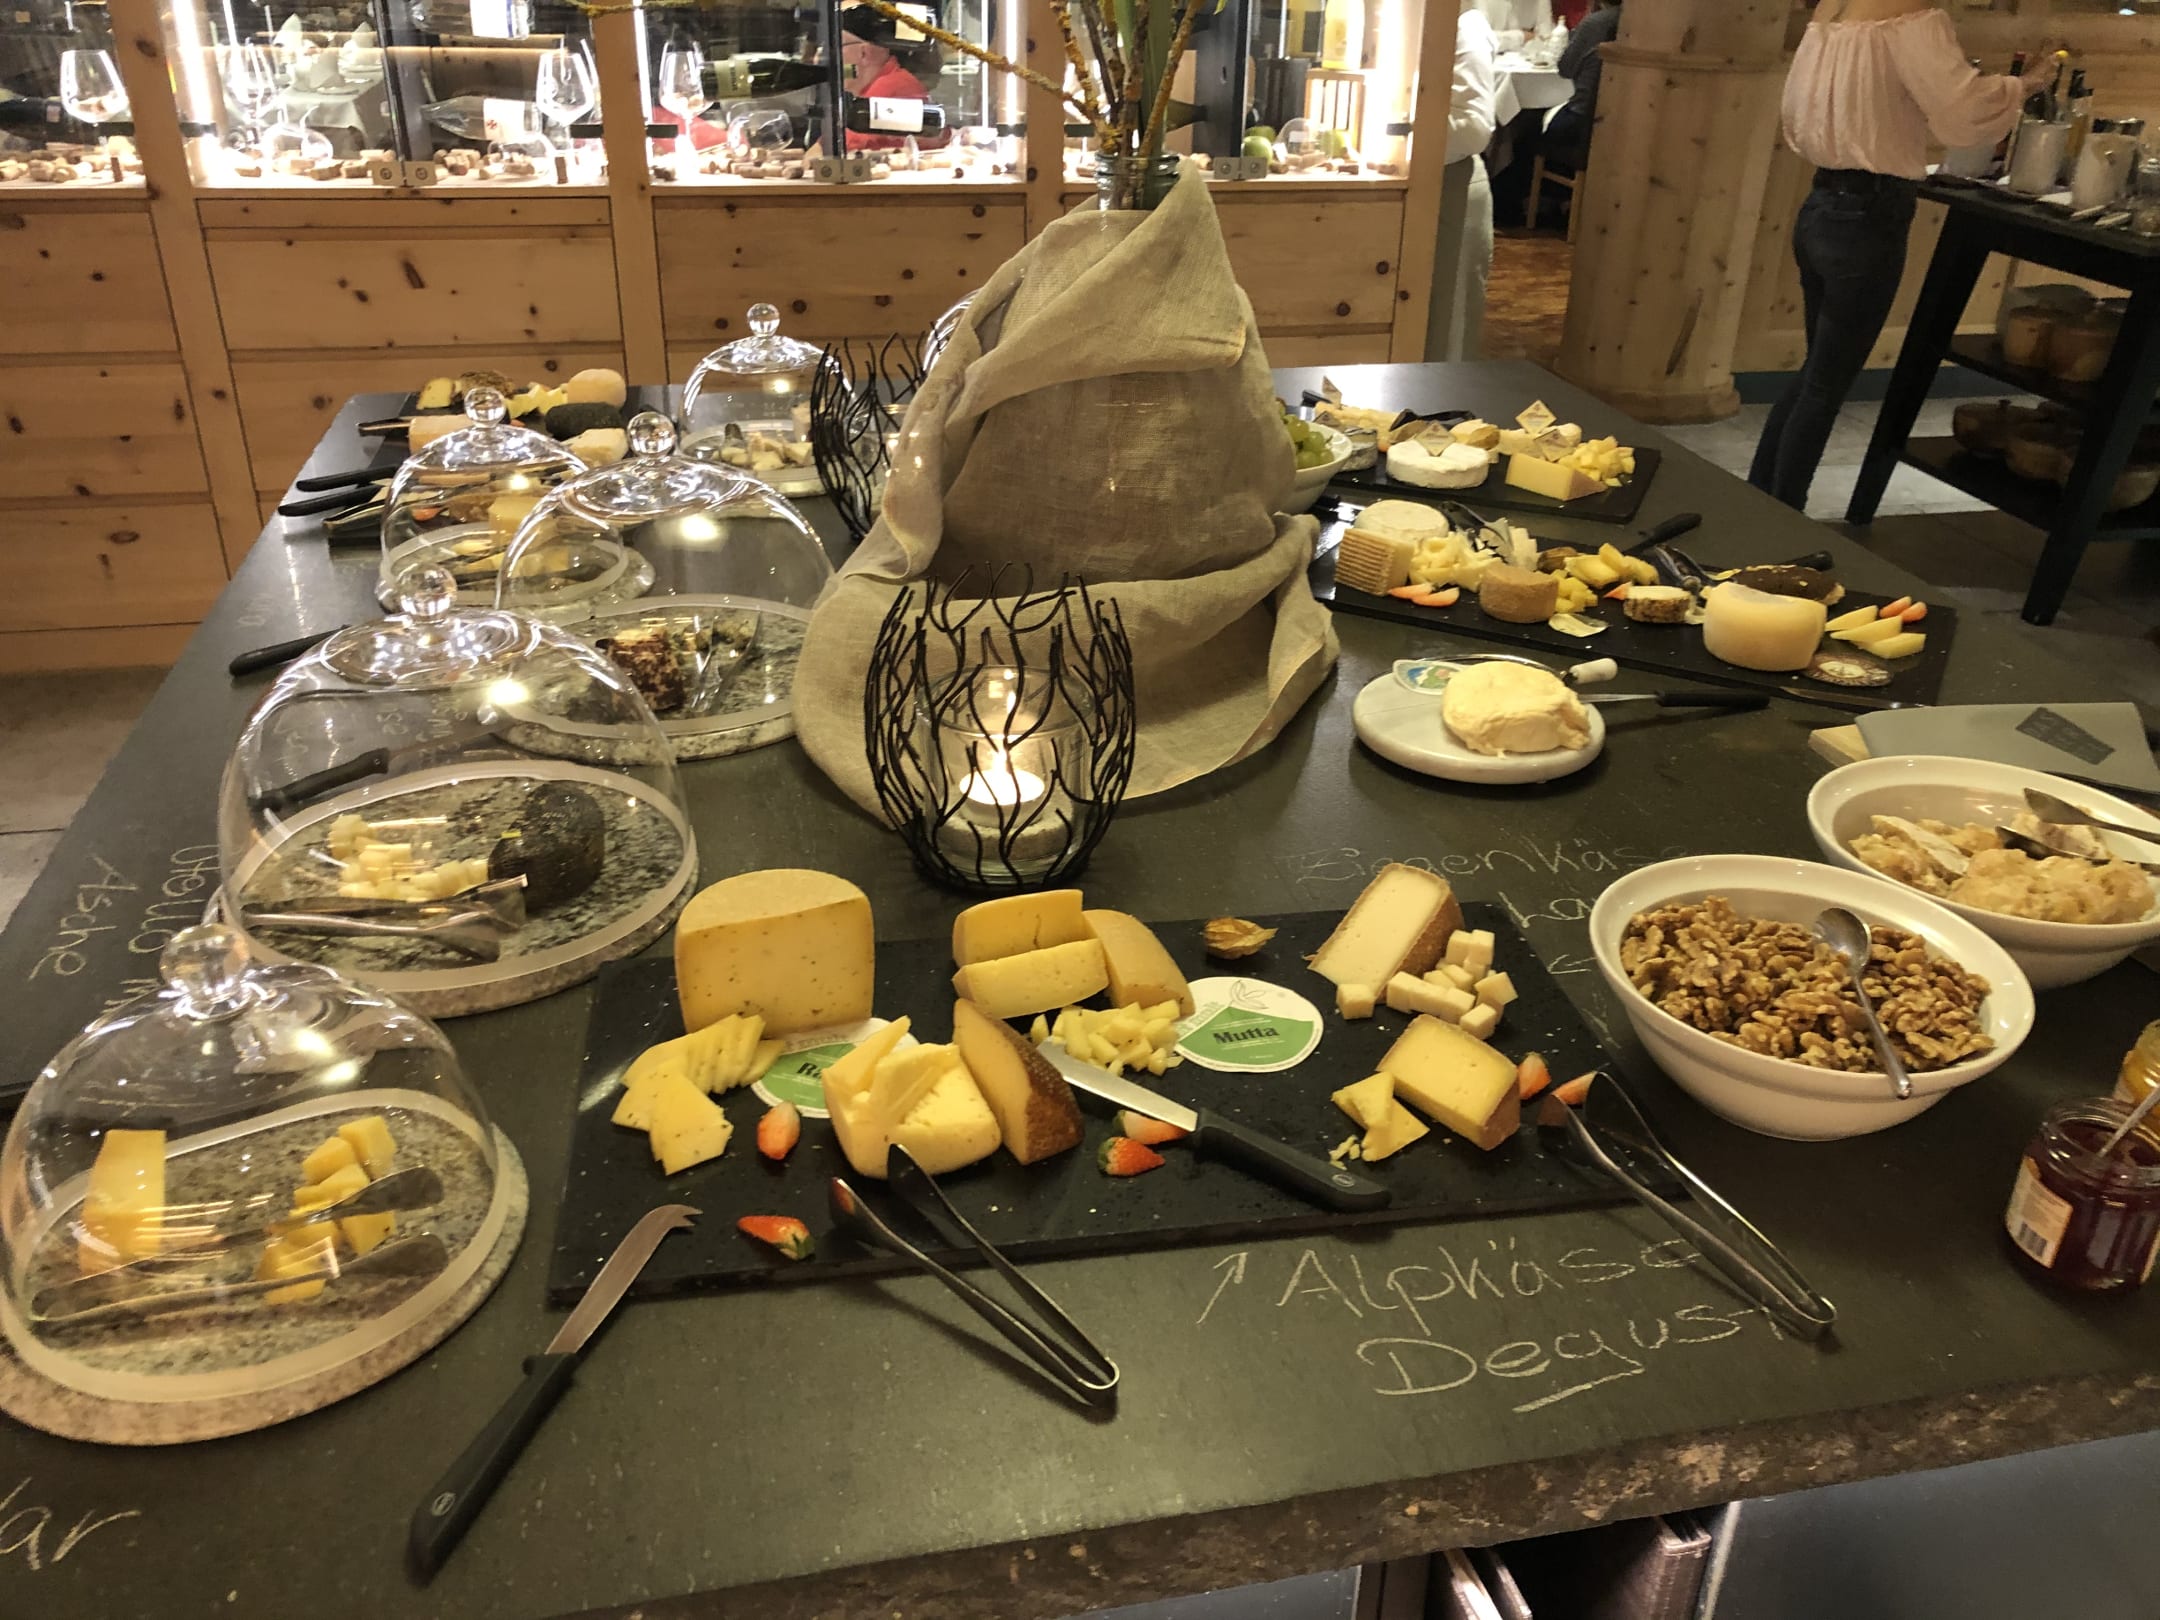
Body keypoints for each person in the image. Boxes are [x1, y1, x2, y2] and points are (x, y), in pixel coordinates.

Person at [1748, 0, 2049, 511]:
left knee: (1815, 377)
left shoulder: (1833, 11)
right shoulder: (1912, 15)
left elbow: (1801, 116)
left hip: (1820, 206)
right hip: (1870, 216)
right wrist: (2025, 85)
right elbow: (1962, 112)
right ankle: (1781, 522)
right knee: (1824, 387)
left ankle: (1760, 505)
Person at [1425, 2, 1498, 360]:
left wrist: (1409, 137)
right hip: (1419, 188)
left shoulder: (1466, 27)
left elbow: (1474, 128)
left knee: (1447, 335)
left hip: (1454, 189)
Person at [837, 4, 951, 151]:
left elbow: (841, 148)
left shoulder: (890, 88)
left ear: (864, 53)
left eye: (837, 48)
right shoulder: (885, 82)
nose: (818, 58)